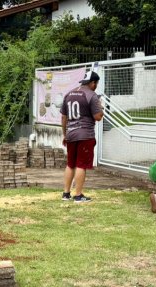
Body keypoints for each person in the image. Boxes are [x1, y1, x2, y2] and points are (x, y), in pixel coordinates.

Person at [60, 70, 104, 203]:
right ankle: (78, 195)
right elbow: (98, 117)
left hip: (71, 134)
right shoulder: (91, 95)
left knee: (70, 164)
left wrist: (65, 134)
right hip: (85, 135)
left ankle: (66, 193)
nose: (96, 86)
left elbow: (63, 117)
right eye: (96, 83)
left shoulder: (69, 94)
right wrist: (101, 108)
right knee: (81, 165)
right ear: (92, 83)